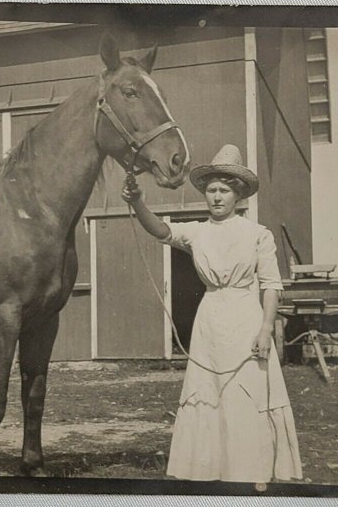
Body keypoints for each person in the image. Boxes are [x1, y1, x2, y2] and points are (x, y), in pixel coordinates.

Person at [122, 144, 302, 483]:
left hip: (246, 319)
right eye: (211, 190)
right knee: (209, 391)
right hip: (210, 319)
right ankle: (208, 469)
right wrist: (137, 202)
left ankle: (252, 470)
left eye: (224, 190)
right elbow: (162, 231)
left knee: (245, 393)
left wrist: (265, 329)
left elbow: (271, 285)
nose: (216, 197)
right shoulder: (198, 231)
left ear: (237, 195)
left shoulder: (257, 234)